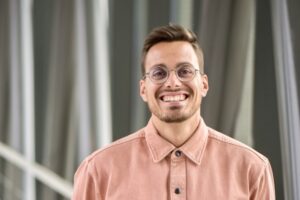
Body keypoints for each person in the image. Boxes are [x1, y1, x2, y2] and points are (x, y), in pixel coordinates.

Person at [72, 24, 275, 200]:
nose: (172, 82)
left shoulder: (252, 169)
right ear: (143, 89)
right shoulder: (98, 171)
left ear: (204, 84)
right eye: (159, 73)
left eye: (184, 71)